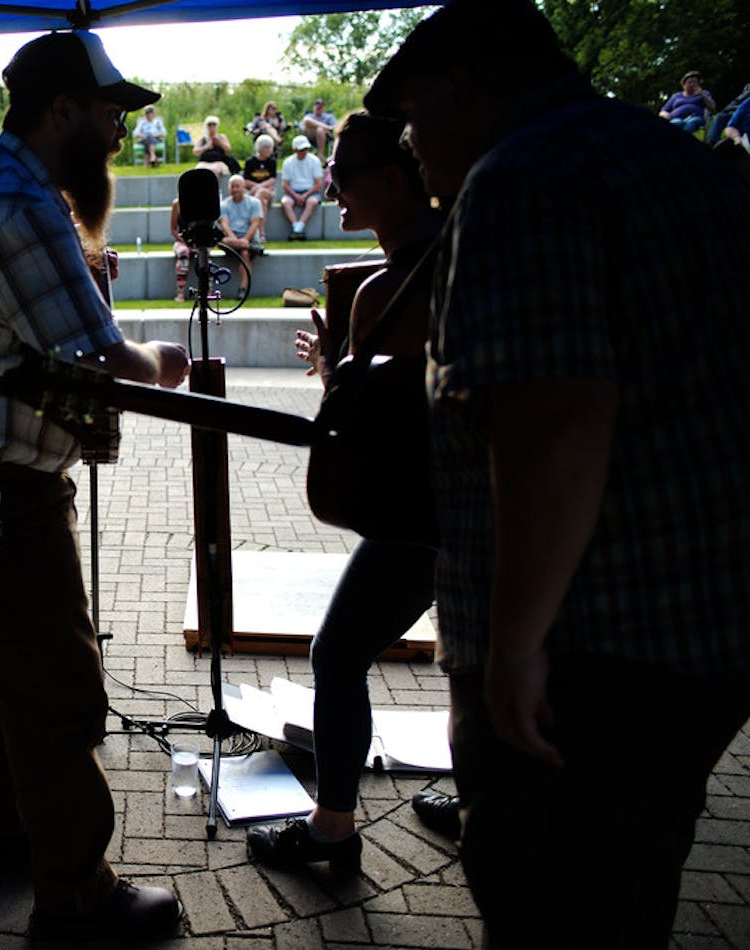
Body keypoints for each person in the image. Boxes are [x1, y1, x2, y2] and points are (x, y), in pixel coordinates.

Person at [363, 1, 750, 944]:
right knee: (631, 887)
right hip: (704, 631)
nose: (410, 148)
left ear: (460, 90)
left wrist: (515, 645)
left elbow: (555, 419)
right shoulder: (674, 163)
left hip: (592, 651)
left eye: (413, 118)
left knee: (551, 902)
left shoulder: (522, 181)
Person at [0, 29, 190, 942]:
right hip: (5, 494)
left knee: (3, 670)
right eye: (110, 113)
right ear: (61, 111)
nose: (120, 131)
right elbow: (105, 357)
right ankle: (76, 896)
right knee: (58, 688)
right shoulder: (24, 203)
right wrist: (165, 361)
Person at [246, 111, 449, 874]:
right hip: (475, 505)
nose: (333, 195)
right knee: (477, 659)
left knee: (336, 655)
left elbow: (364, 427)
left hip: (421, 512)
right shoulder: (461, 255)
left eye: (345, 182)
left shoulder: (387, 291)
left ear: (393, 181)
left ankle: (332, 832)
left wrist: (337, 376)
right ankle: (482, 803)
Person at [218, 175, 263, 293]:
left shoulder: (255, 203)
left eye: (237, 186)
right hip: (231, 239)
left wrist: (245, 239)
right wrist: (234, 239)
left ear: (244, 187)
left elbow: (255, 223)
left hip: (249, 237)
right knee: (224, 241)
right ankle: (255, 249)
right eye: (232, 187)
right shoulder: (224, 205)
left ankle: (243, 288)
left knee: (244, 252)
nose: (234, 189)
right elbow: (224, 224)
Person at [280, 134, 324, 239]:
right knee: (285, 202)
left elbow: (318, 183)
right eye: (301, 149)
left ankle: (298, 227)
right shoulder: (288, 162)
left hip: (311, 191)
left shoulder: (314, 161)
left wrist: (305, 195)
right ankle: (296, 226)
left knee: (312, 202)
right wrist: (296, 195)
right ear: (295, 150)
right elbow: (285, 184)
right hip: (293, 191)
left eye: (305, 149)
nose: (304, 151)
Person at [242, 133, 281, 226]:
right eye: (266, 147)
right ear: (259, 147)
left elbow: (272, 180)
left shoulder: (272, 162)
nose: (269, 150)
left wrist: (258, 187)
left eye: (270, 148)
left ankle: (252, 226)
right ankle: (261, 233)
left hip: (268, 192)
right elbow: (246, 181)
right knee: (262, 202)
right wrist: (256, 188)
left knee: (261, 193)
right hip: (252, 192)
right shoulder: (250, 162)